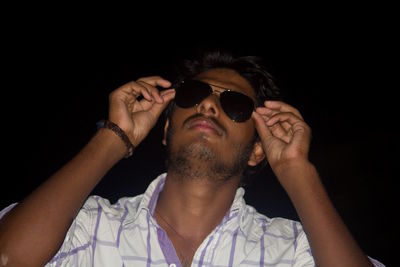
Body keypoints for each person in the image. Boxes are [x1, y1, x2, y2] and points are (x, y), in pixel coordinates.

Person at [0, 51, 384, 267]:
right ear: (166, 129)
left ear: (257, 149)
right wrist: (114, 138)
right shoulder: (90, 227)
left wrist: (297, 170)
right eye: (195, 93)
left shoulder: (295, 250)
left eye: (233, 103)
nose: (207, 104)